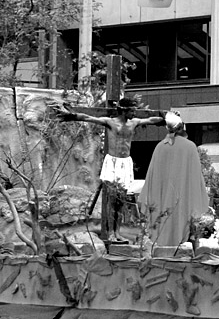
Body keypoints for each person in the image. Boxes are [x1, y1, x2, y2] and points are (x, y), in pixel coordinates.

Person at [54, 97, 165, 241]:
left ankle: (117, 231)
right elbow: (88, 117)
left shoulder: (134, 122)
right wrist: (72, 116)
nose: (134, 113)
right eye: (131, 110)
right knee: (112, 199)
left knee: (122, 199)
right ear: (124, 110)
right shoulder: (111, 122)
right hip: (113, 162)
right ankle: (110, 232)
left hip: (126, 163)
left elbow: (151, 120)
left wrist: (166, 117)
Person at [138, 112, 210, 247]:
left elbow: (151, 180)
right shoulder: (190, 147)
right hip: (183, 204)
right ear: (182, 127)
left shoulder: (160, 147)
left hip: (162, 203)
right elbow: (195, 180)